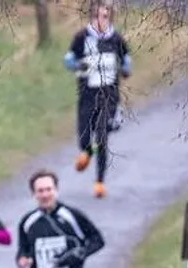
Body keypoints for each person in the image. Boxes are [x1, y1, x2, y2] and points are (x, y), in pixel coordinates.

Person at [66, 3, 131, 198]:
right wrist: (77, 65)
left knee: (102, 138)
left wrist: (126, 68)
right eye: (97, 17)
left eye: (105, 17)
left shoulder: (116, 38)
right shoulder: (81, 37)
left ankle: (100, 182)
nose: (101, 21)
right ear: (91, 18)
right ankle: (86, 152)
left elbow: (126, 57)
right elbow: (69, 58)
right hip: (87, 94)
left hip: (109, 96)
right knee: (84, 136)